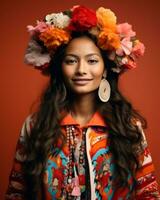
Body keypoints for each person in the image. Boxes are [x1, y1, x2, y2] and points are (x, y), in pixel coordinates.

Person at [5, 5, 160, 200]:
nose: (81, 70)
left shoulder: (128, 126)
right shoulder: (35, 126)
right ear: (60, 68)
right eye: (71, 61)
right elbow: (16, 193)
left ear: (105, 68)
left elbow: (149, 193)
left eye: (92, 61)